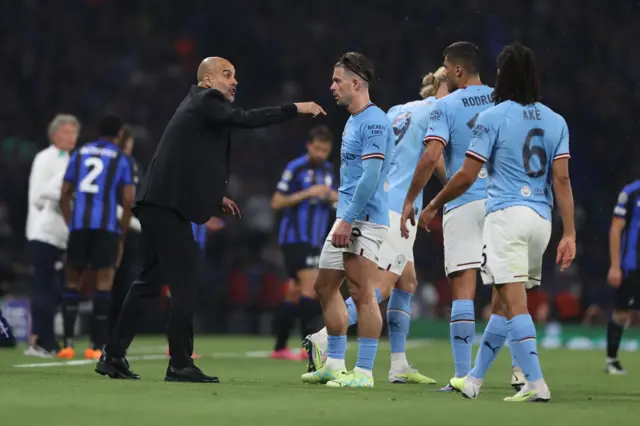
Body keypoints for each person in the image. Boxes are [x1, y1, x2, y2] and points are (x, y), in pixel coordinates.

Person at [97, 56, 325, 383]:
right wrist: (295, 108)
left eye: (235, 75)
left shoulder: (199, 108)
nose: (234, 81)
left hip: (158, 202)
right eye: (226, 75)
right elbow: (245, 119)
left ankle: (113, 355)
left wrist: (214, 196)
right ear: (207, 80)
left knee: (150, 281)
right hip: (165, 206)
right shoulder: (206, 101)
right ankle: (179, 364)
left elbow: (187, 158)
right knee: (185, 279)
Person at [421, 42, 575, 402]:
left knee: (512, 304)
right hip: (541, 219)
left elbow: (464, 177)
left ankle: (535, 381)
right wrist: (569, 232)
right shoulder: (556, 120)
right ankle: (473, 379)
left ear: (503, 76)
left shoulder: (493, 117)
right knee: (507, 303)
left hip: (506, 215)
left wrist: (434, 204)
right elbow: (563, 181)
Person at [303, 67, 449, 384]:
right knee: (377, 288)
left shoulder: (399, 110)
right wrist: (452, 189)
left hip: (388, 201)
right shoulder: (440, 110)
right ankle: (324, 338)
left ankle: (398, 364)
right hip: (397, 208)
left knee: (407, 282)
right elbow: (432, 156)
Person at [400, 41, 523, 392]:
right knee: (509, 288)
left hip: (464, 200)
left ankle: (462, 375)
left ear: (457, 71)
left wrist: (414, 199)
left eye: (445, 65)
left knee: (463, 290)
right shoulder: (506, 101)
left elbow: (430, 156)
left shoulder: (447, 104)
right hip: (504, 202)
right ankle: (520, 371)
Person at [300, 52, 393, 389]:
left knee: (362, 291)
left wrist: (347, 218)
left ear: (356, 83)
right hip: (348, 217)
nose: (332, 86)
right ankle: (335, 364)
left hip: (365, 219)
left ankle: (364, 372)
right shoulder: (354, 120)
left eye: (337, 81)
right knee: (324, 286)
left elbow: (370, 177)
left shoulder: (375, 121)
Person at [58, 115, 136, 360]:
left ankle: (67, 345)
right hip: (105, 229)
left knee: (72, 283)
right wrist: (121, 235)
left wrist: (72, 222)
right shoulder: (122, 159)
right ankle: (95, 346)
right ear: (120, 133)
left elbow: (64, 194)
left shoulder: (80, 153)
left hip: (80, 227)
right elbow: (128, 200)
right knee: (103, 285)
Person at [270, 125, 337, 360]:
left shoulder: (329, 171)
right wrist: (308, 193)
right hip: (295, 238)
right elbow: (277, 202)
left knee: (295, 291)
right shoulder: (295, 168)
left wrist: (331, 196)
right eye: (317, 148)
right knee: (311, 288)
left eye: (325, 150)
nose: (320, 153)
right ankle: (310, 348)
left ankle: (279, 347)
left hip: (316, 239)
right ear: (309, 146)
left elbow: (338, 198)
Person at [25, 114, 80, 357]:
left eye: (74, 133)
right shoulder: (45, 158)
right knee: (44, 287)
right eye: (67, 132)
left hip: (61, 234)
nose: (72, 137)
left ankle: (47, 338)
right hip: (42, 232)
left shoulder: (72, 159)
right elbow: (37, 195)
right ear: (54, 135)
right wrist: (63, 190)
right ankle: (39, 339)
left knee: (56, 289)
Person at [107, 126, 143, 355]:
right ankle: (111, 338)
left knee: (119, 286)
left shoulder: (132, 165)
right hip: (120, 230)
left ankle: (111, 337)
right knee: (114, 286)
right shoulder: (123, 164)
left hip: (125, 234)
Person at [605, 178, 640, 374]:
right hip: (632, 265)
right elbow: (616, 228)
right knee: (622, 312)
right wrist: (615, 266)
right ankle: (612, 360)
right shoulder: (631, 192)